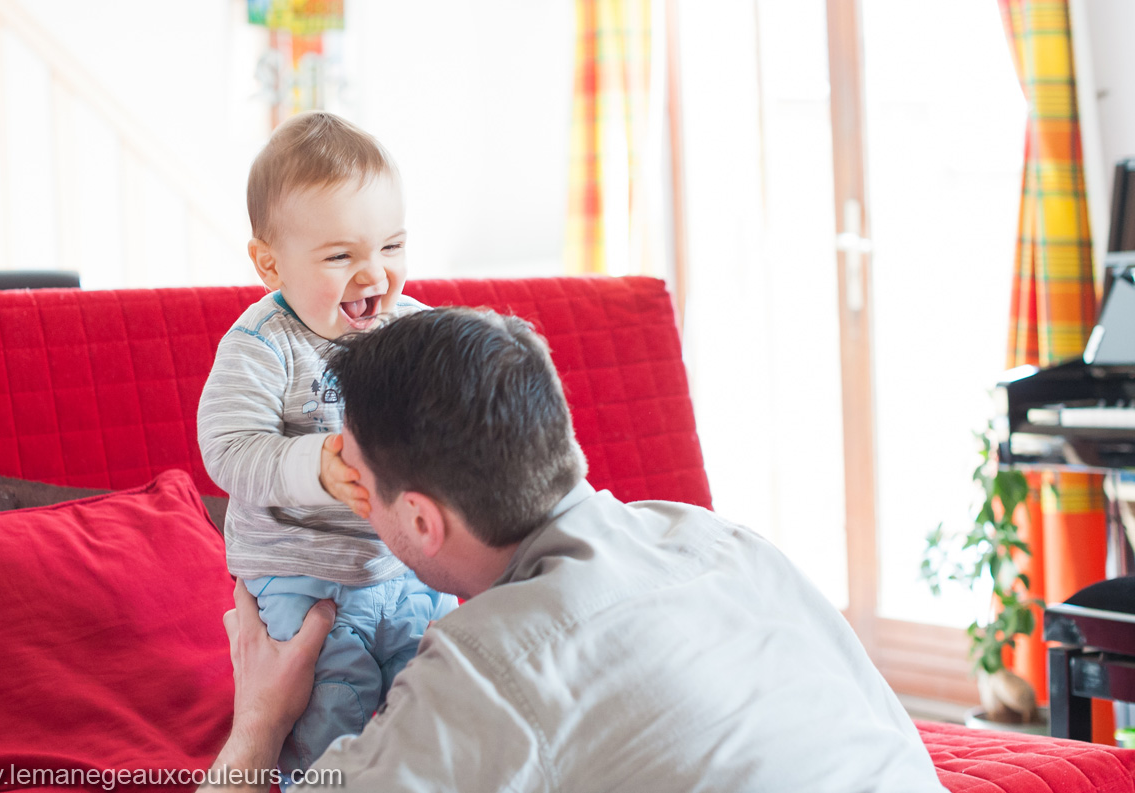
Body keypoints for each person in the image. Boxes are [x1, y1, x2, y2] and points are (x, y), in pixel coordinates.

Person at [206, 308, 946, 792]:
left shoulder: (484, 668)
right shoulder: (720, 541)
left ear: (421, 521)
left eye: (356, 480)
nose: (347, 493)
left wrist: (259, 723)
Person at [196, 111, 456, 778]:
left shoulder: (415, 329)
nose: (374, 275)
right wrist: (313, 464)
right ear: (269, 263)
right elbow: (228, 448)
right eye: (341, 256)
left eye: (391, 247)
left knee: (445, 711)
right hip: (302, 584)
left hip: (408, 574)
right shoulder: (263, 342)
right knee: (327, 735)